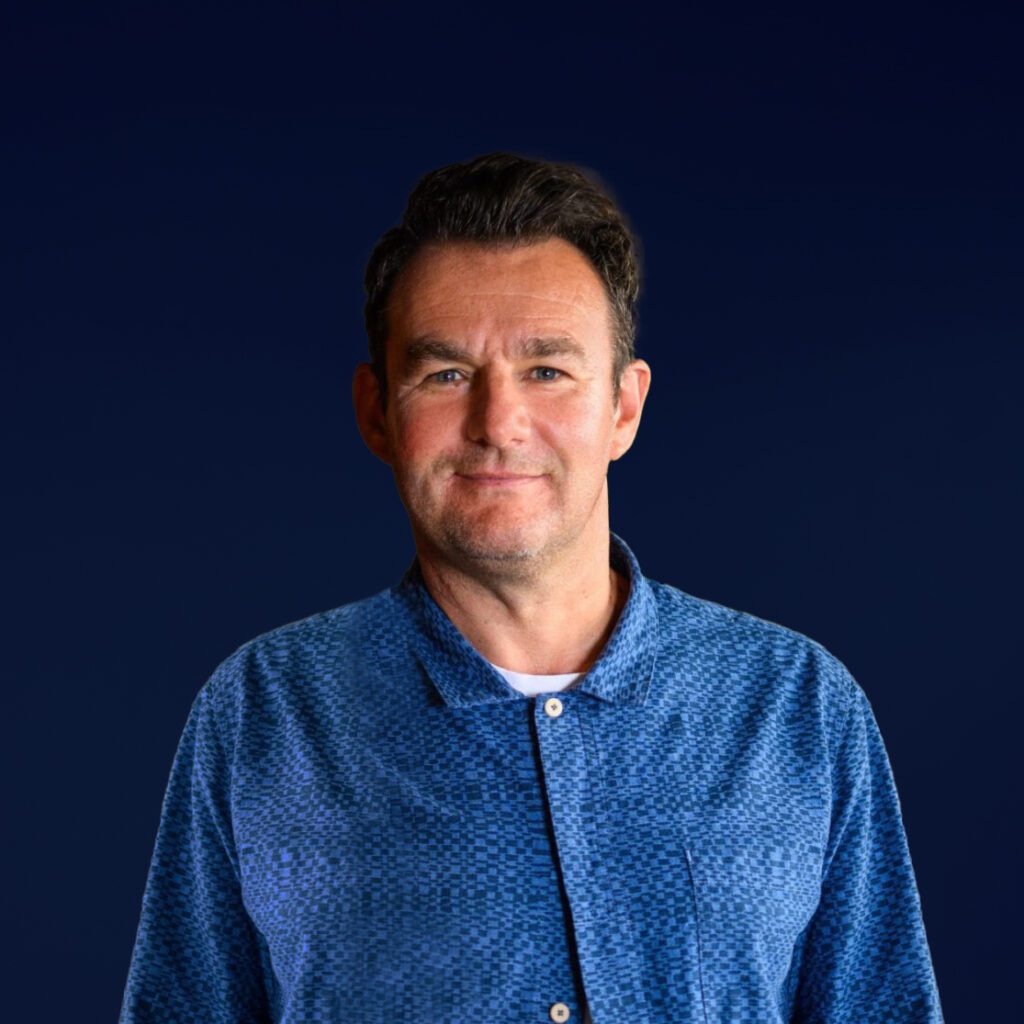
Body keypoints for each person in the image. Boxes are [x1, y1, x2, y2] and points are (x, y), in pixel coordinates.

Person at [118, 151, 945, 1024]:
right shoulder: (263, 715)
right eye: (445, 374)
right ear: (376, 412)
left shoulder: (795, 706)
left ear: (624, 407)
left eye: (547, 370)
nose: (498, 423)